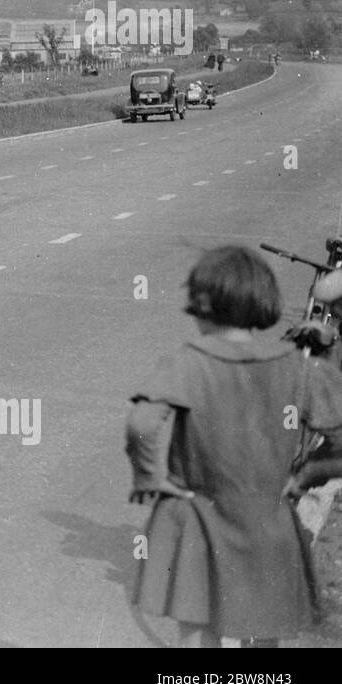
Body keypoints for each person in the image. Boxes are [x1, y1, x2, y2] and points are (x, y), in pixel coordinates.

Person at [126, 245, 342, 648]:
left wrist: (150, 476)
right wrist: (306, 475)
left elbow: (142, 422)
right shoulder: (296, 365)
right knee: (264, 623)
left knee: (197, 622)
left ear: (201, 307)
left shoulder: (188, 362)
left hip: (198, 513)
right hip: (267, 515)